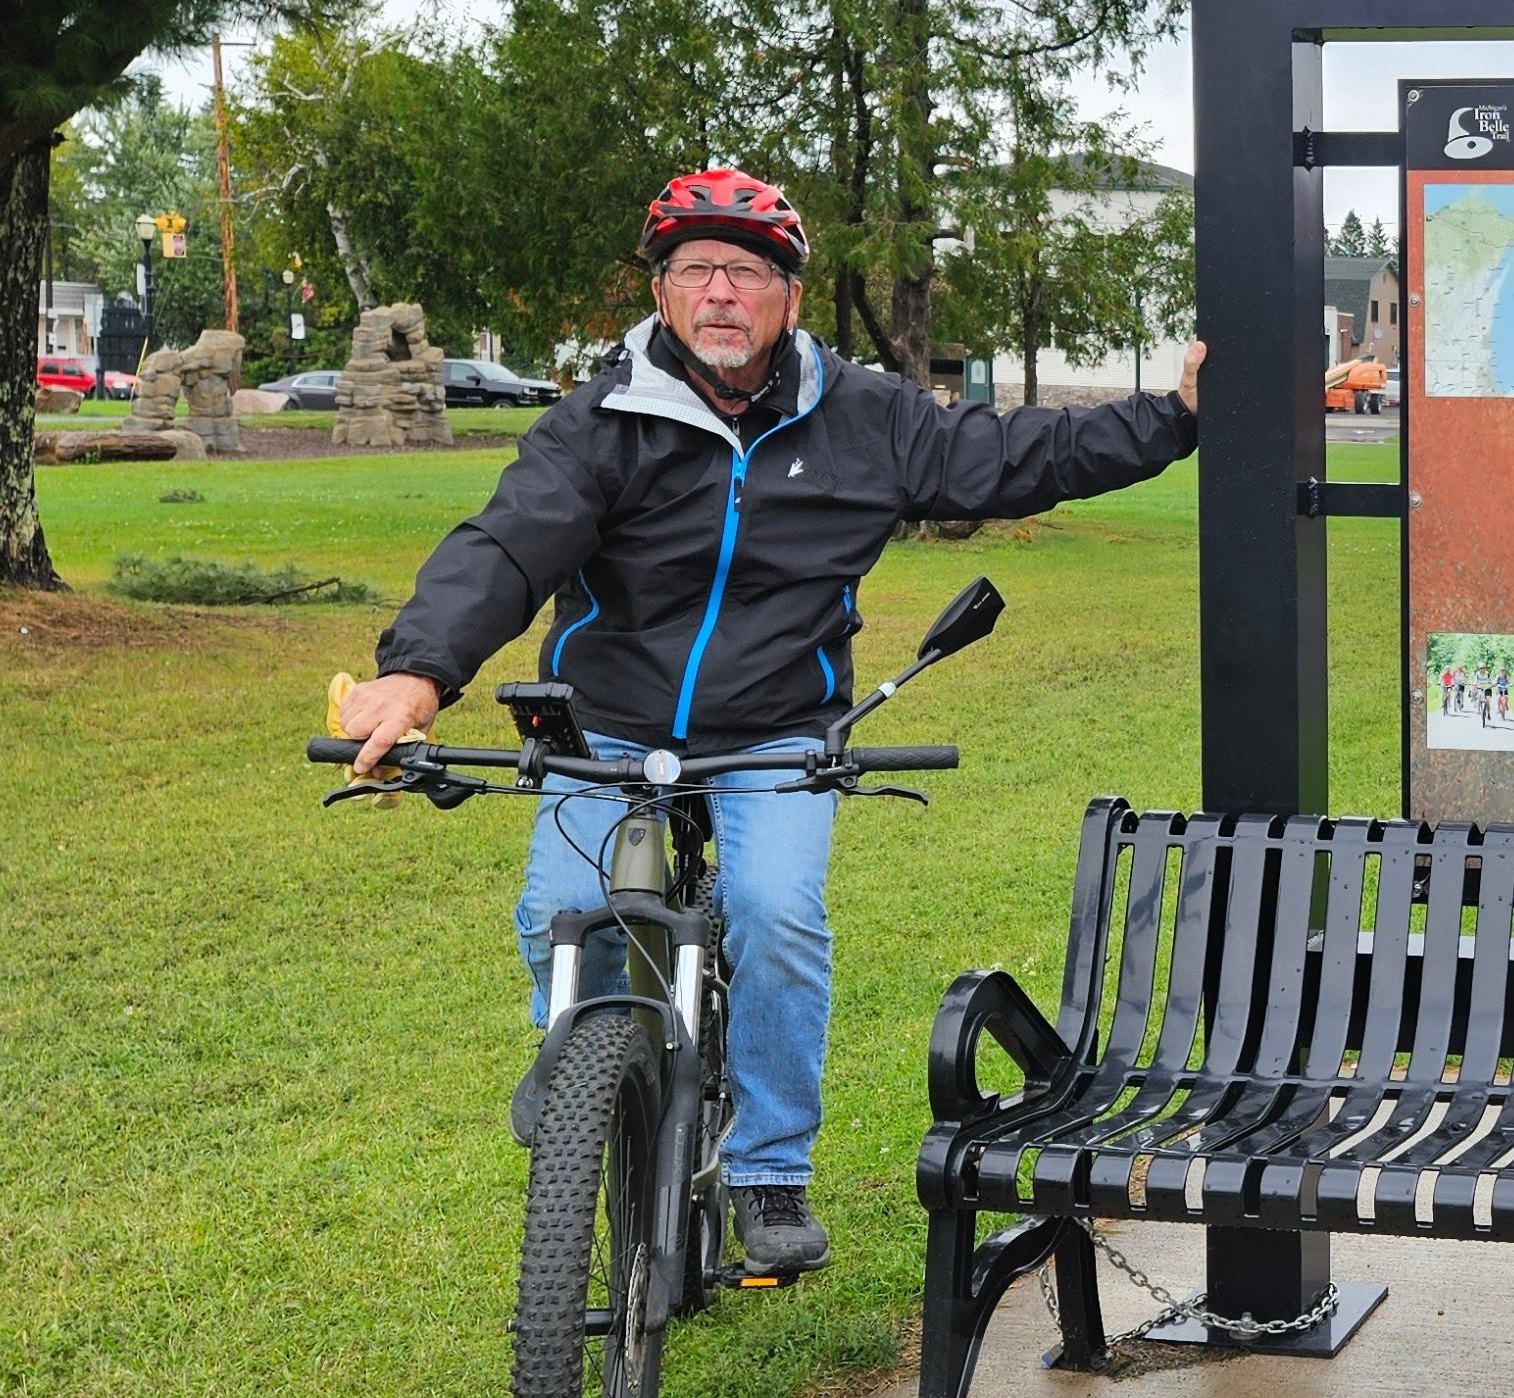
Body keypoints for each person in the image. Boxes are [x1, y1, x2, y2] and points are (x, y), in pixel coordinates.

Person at [336, 166, 1201, 1277]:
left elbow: (1019, 454)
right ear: (660, 292)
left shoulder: (867, 418)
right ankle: (586, 1060)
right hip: (608, 723)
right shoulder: (601, 421)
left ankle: (769, 1168)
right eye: (694, 269)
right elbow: (507, 545)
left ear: (789, 297)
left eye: (746, 272)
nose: (719, 293)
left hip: (775, 731)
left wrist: (1179, 415)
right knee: (560, 912)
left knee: (776, 914)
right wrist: (417, 675)